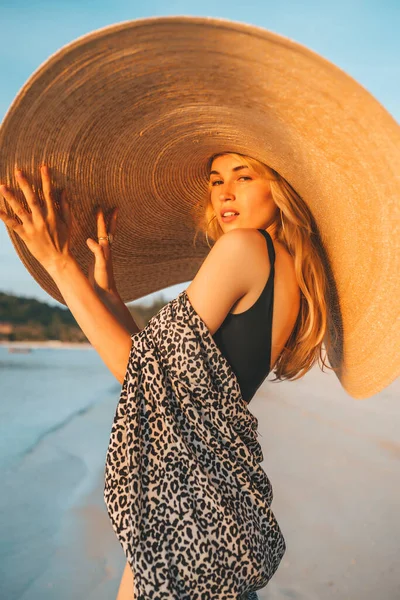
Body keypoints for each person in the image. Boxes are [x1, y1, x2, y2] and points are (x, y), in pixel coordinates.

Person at [0, 151, 335, 599]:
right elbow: (162, 373)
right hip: (212, 510)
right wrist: (111, 298)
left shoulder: (244, 248)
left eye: (244, 176)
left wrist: (59, 262)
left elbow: (139, 373)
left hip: (189, 516)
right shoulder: (284, 268)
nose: (225, 192)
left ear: (280, 187)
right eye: (216, 180)